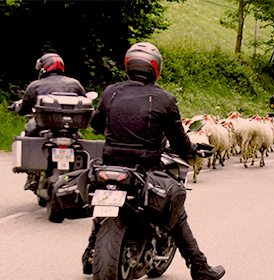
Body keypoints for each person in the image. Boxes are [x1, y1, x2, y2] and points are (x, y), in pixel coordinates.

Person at [82, 42, 225, 280]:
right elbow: (179, 142)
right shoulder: (165, 99)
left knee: (103, 203)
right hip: (147, 168)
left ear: (128, 65)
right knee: (175, 209)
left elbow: (96, 125)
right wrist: (191, 150)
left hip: (110, 165)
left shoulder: (111, 92)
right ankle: (199, 267)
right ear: (155, 69)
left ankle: (90, 254)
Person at [12, 53, 86, 191]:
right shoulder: (74, 83)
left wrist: (16, 107)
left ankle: (32, 175)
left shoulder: (36, 85)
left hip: (44, 129)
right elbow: (85, 100)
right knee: (80, 142)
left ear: (43, 68)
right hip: (70, 130)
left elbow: (23, 108)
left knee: (28, 132)